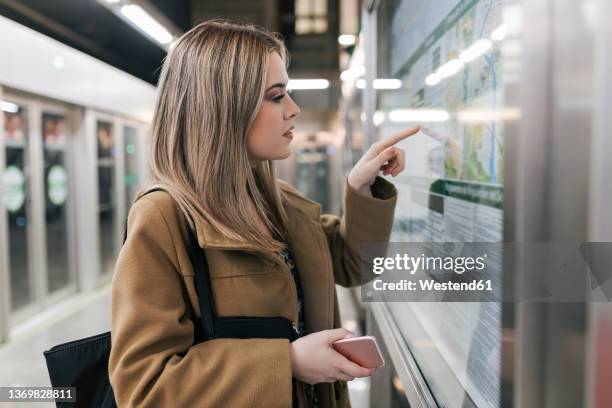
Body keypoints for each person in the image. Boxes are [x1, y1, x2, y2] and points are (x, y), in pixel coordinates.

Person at [109, 20, 419, 407]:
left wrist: (361, 189)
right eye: (276, 96)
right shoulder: (163, 217)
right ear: (224, 107)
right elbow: (144, 386)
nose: (294, 109)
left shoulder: (277, 201)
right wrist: (286, 362)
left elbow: (352, 264)